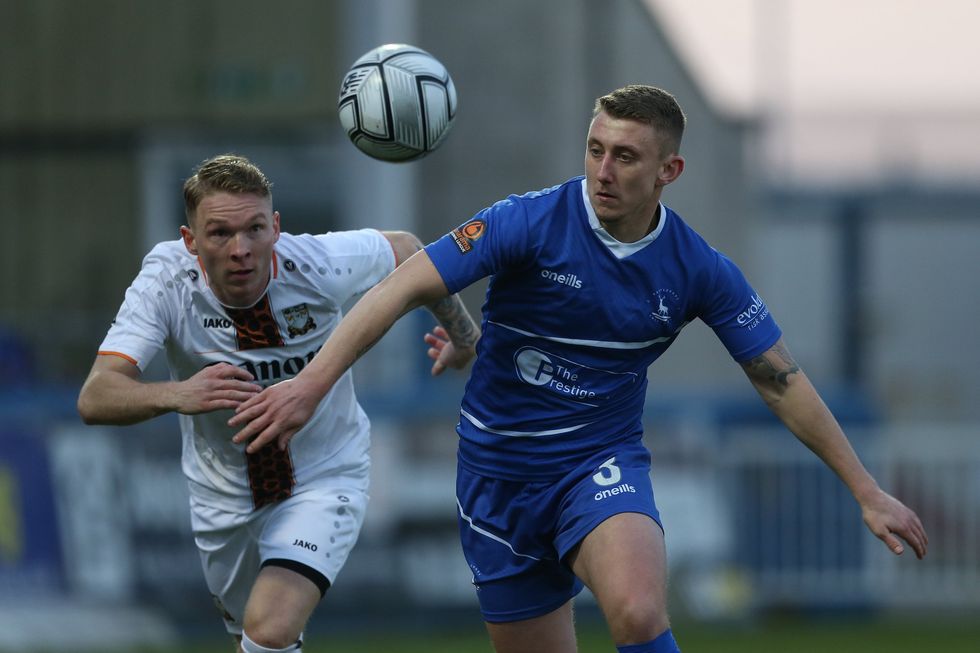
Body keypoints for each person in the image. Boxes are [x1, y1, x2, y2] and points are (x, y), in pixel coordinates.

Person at [227, 86, 929, 653]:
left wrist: (866, 490)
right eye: (595, 149)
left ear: (669, 171)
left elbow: (780, 380)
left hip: (597, 462)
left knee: (638, 611)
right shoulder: (527, 222)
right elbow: (401, 287)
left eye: (625, 156)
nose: (603, 170)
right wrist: (313, 382)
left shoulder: (698, 269)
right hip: (496, 479)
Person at [76, 154, 480, 653]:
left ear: (276, 228)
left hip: (323, 476)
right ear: (190, 240)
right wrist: (178, 393)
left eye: (255, 229)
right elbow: (96, 396)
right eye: (220, 233)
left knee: (269, 630)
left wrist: (463, 336)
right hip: (222, 494)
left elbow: (412, 252)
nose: (241, 250)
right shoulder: (165, 283)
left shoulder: (316, 263)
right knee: (254, 642)